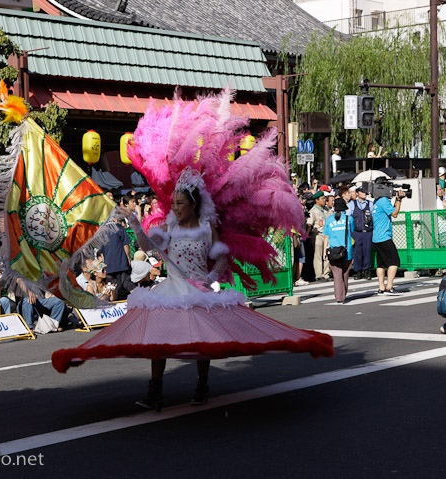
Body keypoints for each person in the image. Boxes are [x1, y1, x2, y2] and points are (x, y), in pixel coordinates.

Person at [52, 166, 333, 410]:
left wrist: (210, 279)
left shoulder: (207, 228)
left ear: (194, 204)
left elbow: (221, 257)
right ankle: (155, 390)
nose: (175, 207)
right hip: (171, 290)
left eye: (181, 203)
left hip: (199, 289)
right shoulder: (169, 228)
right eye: (173, 203)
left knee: (204, 340)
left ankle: (202, 385)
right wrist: (136, 224)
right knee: (156, 341)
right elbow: (149, 246)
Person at [372, 189, 405, 295]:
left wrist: (396, 200)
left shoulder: (376, 201)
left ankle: (381, 287)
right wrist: (399, 200)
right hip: (384, 237)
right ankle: (389, 287)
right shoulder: (383, 200)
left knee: (381, 264)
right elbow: (395, 213)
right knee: (394, 261)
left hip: (376, 237)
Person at [323, 198, 354, 303]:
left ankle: (339, 298)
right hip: (347, 250)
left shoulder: (329, 220)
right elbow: (352, 231)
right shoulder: (349, 219)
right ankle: (343, 295)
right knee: (345, 273)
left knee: (337, 275)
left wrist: (324, 252)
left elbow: (326, 237)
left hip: (333, 251)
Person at [99, 214, 135, 299]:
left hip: (109, 266)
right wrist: (128, 258)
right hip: (121, 263)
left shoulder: (101, 231)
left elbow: (101, 252)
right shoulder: (119, 228)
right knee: (126, 284)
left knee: (113, 288)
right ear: (115, 218)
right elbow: (126, 245)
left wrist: (104, 265)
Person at [350, 186, 374, 280]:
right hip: (356, 232)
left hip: (368, 232)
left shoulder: (370, 204)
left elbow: (373, 216)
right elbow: (349, 216)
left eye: (365, 192)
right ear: (357, 193)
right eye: (362, 192)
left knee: (367, 251)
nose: (365, 193)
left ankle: (367, 271)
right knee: (357, 252)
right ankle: (358, 271)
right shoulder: (352, 204)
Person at [307, 191, 330, 281]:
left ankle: (326, 273)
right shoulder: (313, 211)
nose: (324, 200)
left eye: (325, 198)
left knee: (327, 254)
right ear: (317, 200)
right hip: (318, 234)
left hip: (326, 235)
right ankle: (319, 274)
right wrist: (307, 235)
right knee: (318, 255)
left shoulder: (326, 209)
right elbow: (309, 224)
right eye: (322, 199)